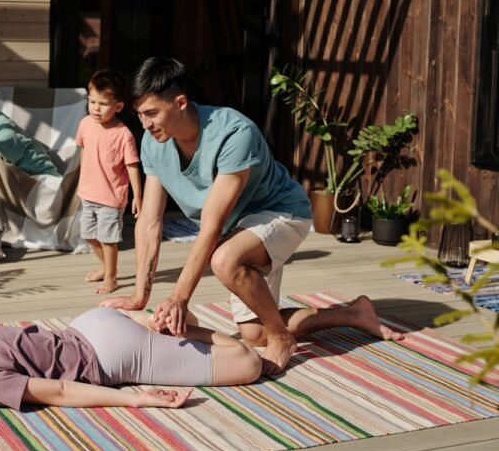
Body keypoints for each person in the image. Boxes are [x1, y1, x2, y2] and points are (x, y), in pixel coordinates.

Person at [100, 57, 404, 375]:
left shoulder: (234, 132)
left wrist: (179, 298)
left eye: (151, 113)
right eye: (140, 115)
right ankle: (354, 313)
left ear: (180, 102)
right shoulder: (153, 144)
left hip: (280, 212)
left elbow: (213, 225)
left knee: (224, 260)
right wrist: (140, 296)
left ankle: (282, 337)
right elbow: (150, 221)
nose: (145, 124)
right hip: (237, 230)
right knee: (255, 334)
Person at [0, 307, 261, 410]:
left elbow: (61, 391)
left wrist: (136, 399)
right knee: (176, 338)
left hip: (111, 355)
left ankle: (174, 330)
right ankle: (152, 322)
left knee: (249, 364)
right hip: (89, 321)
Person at [75, 69, 143, 294]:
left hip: (111, 198)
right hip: (88, 193)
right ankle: (106, 268)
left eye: (103, 104)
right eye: (92, 101)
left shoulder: (123, 134)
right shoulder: (85, 124)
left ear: (118, 106)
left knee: (108, 240)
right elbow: (84, 150)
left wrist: (137, 195)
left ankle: (111, 277)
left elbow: (132, 165)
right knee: (89, 235)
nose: (96, 108)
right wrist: (81, 179)